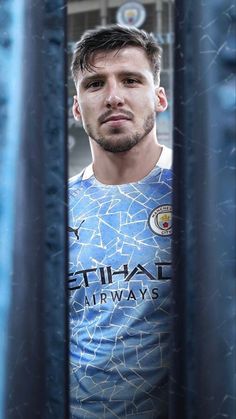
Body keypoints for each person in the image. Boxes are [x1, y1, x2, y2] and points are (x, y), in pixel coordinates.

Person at [68, 24, 172, 419]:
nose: (113, 97)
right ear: (77, 108)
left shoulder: (205, 196)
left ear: (158, 97)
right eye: (95, 85)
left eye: (130, 80)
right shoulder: (51, 211)